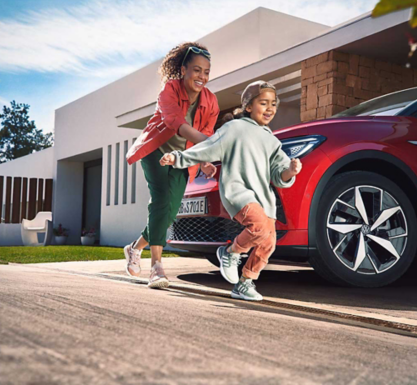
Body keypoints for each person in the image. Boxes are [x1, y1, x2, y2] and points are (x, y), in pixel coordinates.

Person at [160, 80, 302, 301]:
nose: (270, 109)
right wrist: (177, 157)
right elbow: (206, 149)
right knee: (259, 227)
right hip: (238, 191)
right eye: (263, 103)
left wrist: (290, 172)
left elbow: (279, 173)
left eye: (273, 104)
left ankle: (245, 283)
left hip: (263, 197)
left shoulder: (271, 140)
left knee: (268, 243)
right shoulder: (234, 129)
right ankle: (230, 252)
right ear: (248, 106)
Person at [124, 42, 220, 289]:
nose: (202, 76)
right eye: (197, 70)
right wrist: (215, 145)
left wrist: (204, 160)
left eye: (206, 72)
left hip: (182, 159)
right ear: (184, 69)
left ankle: (134, 248)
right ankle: (157, 267)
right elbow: (177, 124)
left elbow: (205, 132)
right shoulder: (169, 91)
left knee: (169, 213)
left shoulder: (211, 102)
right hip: (156, 151)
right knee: (160, 201)